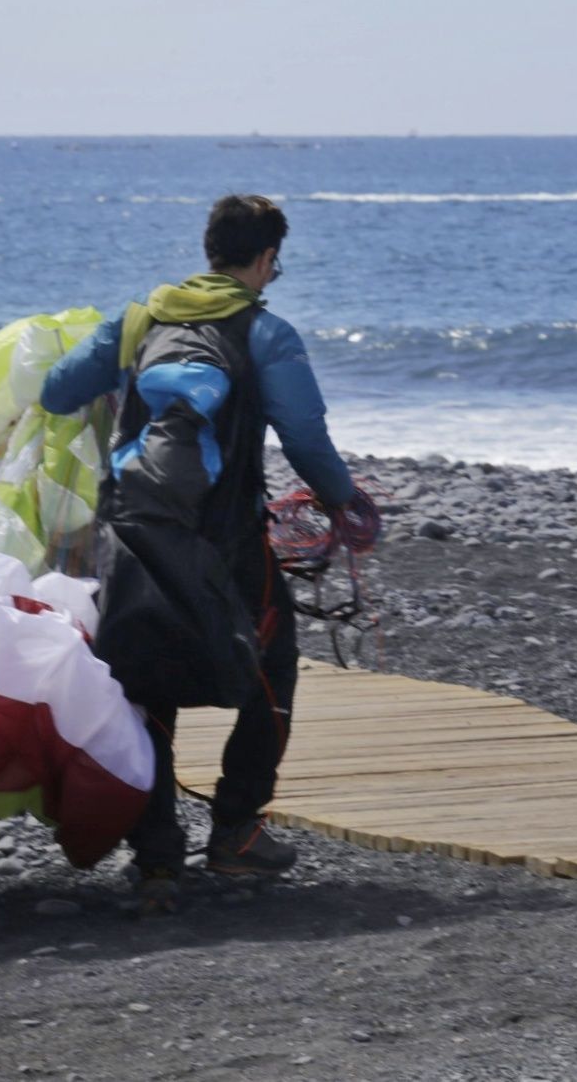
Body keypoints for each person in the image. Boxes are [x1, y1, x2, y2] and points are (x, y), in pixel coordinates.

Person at [41, 194, 355, 907]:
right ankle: (237, 832)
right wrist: (343, 500)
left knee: (144, 674)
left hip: (134, 530)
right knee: (271, 667)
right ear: (266, 260)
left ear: (209, 248)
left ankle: (155, 855)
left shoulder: (138, 319)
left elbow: (58, 393)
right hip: (228, 538)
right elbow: (305, 439)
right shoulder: (265, 333)